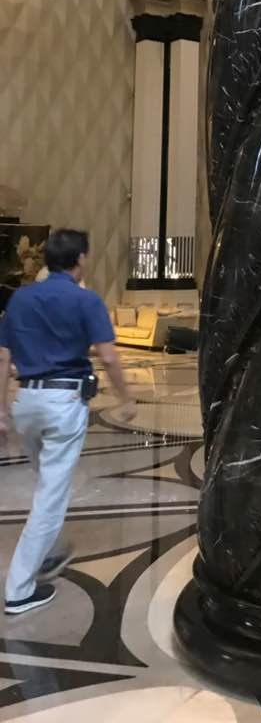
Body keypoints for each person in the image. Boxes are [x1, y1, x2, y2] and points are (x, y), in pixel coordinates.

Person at [0, 229, 137, 615]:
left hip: (26, 402)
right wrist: (126, 398)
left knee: (48, 482)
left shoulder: (20, 299)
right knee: (51, 496)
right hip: (63, 404)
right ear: (80, 259)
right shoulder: (85, 300)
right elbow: (108, 357)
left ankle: (49, 550)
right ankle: (19, 589)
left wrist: (1, 411)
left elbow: (3, 358)